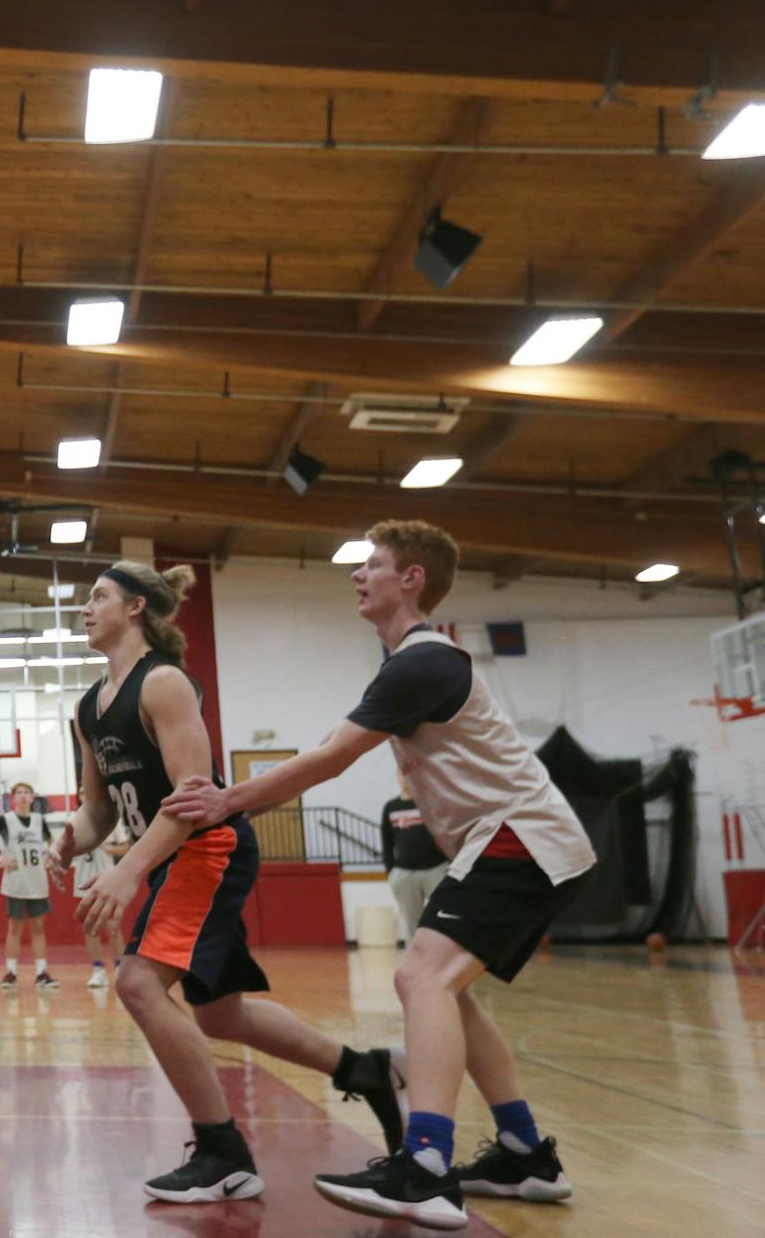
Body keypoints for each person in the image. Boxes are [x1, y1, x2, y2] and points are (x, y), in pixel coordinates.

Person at [162, 521, 593, 1228]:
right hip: (516, 843)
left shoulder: (423, 662)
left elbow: (330, 757)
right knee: (447, 993)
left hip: (523, 839)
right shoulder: (412, 667)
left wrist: (226, 797)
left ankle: (425, 1166)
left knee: (420, 977)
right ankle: (522, 1152)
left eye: (374, 566)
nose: (359, 576)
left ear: (412, 579)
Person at [52, 560, 403, 1206]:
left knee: (136, 982)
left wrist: (129, 870)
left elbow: (192, 798)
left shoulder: (164, 685)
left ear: (134, 609)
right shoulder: (87, 706)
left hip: (207, 847)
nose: (85, 608)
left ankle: (223, 1153)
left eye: (98, 597)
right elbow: (101, 809)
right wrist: (71, 839)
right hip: (167, 856)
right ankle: (364, 1069)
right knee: (218, 1013)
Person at [0, 781, 57, 990]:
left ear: (32, 797)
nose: (23, 796)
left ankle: (42, 972)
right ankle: (11, 972)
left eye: (27, 793)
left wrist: (50, 856)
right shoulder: (6, 820)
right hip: (16, 880)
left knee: (38, 927)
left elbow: (53, 844)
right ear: (13, 798)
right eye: (19, 793)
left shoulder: (40, 821)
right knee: (15, 928)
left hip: (37, 880)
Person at [382, 773, 448, 942]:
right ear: (398, 777)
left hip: (436, 869)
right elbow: (386, 842)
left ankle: (442, 960)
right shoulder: (391, 807)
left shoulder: (429, 803)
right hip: (404, 873)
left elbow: (445, 832)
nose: (405, 778)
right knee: (412, 923)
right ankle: (416, 963)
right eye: (401, 775)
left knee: (443, 918)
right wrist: (391, 871)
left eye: (408, 774)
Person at [74, 827, 129, 988]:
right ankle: (98, 970)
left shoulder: (114, 821)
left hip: (108, 880)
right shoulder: (77, 820)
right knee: (90, 926)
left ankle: (120, 968)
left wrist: (105, 848)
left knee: (113, 926)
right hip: (85, 879)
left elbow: (125, 848)